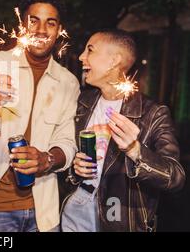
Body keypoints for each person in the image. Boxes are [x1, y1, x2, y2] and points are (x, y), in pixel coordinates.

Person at [0, 0, 80, 232]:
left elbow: (67, 141)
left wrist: (46, 160)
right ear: (22, 25)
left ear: (59, 30)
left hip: (43, 213)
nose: (41, 29)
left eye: (51, 23)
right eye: (33, 20)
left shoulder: (68, 82)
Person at [61, 29, 186, 232]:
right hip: (77, 205)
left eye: (90, 50)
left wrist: (135, 150)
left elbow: (176, 178)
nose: (82, 57)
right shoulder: (82, 103)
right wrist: (75, 170)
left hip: (119, 216)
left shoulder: (153, 113)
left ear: (114, 61)